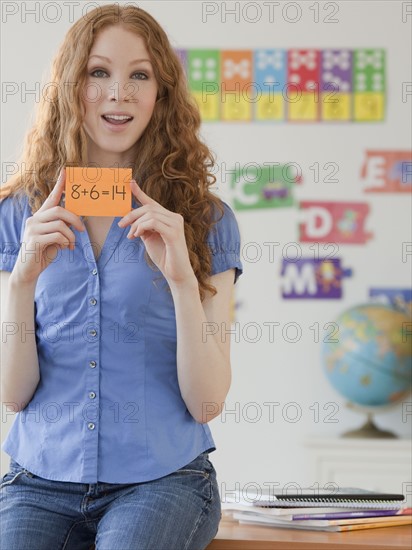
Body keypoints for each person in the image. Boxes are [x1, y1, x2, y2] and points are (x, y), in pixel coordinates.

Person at [0, 4, 243, 549]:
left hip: (163, 481)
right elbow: (13, 395)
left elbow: (207, 404)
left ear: (162, 93)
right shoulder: (17, 214)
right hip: (38, 481)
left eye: (140, 75)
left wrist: (182, 280)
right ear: (70, 85)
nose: (119, 93)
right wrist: (20, 284)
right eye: (98, 72)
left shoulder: (205, 221)